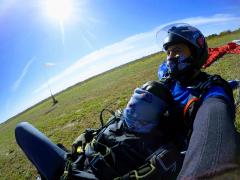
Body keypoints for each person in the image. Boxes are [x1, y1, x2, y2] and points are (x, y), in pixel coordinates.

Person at [15, 80, 185, 180]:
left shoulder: (157, 150)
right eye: (135, 99)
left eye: (145, 103)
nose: (133, 106)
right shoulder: (119, 121)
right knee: (23, 130)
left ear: (159, 113)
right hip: (76, 162)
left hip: (78, 175)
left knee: (22, 130)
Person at [156, 23, 240, 179]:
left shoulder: (212, 90)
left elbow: (215, 115)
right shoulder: (167, 76)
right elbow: (163, 68)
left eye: (178, 50)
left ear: (195, 53)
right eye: (168, 52)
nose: (171, 57)